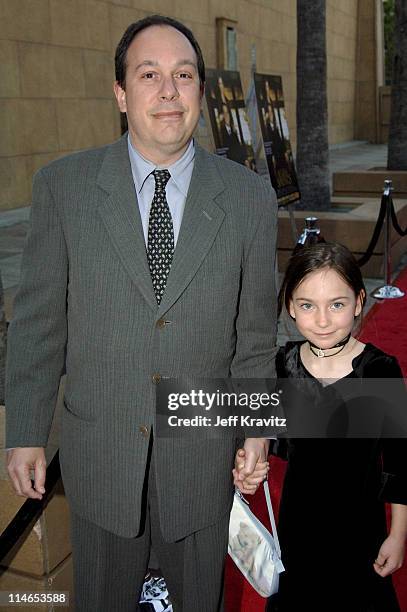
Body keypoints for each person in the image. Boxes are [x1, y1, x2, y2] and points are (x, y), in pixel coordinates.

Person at [5, 14, 277, 612]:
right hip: (100, 455)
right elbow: (39, 320)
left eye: (184, 75)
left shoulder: (249, 198)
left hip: (202, 460)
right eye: (149, 74)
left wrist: (256, 427)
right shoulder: (64, 188)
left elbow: (256, 333)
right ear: (122, 93)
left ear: (201, 94)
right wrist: (24, 431)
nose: (168, 91)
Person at [234, 242, 407, 611]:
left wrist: (398, 534)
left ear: (360, 302)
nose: (323, 320)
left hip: (361, 533)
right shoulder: (283, 366)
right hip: (298, 531)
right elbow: (266, 437)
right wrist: (248, 465)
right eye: (308, 305)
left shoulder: (379, 371)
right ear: (291, 307)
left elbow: (398, 462)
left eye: (337, 304)